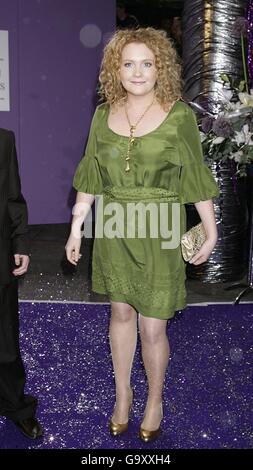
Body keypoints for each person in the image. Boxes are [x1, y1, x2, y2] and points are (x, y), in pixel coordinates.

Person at [65, 27, 219, 442]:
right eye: (128, 63)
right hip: (115, 227)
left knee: (153, 326)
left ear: (160, 68)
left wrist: (211, 228)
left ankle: (154, 398)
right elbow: (91, 177)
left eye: (147, 63)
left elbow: (194, 175)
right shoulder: (102, 114)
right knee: (120, 314)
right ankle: (122, 395)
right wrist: (77, 228)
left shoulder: (179, 114)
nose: (137, 72)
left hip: (160, 230)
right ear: (116, 69)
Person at [0, 129, 43, 439]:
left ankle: (16, 405)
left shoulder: (4, 140)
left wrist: (21, 243)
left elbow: (13, 197)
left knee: (5, 340)